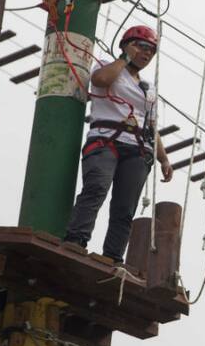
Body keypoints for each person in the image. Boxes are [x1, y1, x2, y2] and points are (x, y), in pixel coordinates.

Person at [64, 25, 174, 264]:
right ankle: (76, 240)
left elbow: (151, 126)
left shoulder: (149, 89)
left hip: (137, 149)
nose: (147, 53)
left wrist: (164, 158)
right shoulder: (108, 66)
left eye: (151, 50)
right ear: (127, 45)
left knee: (125, 207)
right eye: (142, 47)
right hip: (106, 141)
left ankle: (113, 256)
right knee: (96, 188)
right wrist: (125, 57)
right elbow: (101, 80)